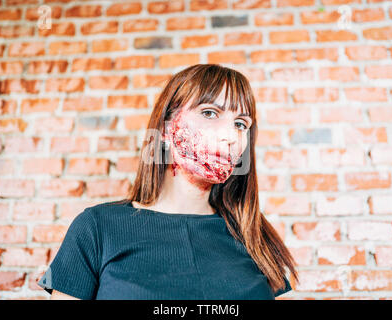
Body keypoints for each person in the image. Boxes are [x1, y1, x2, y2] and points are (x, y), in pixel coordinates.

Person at [37, 64, 299, 300]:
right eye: (209, 113)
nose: (231, 136)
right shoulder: (97, 228)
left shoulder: (254, 235)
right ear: (164, 129)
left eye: (241, 124)